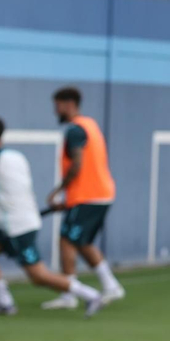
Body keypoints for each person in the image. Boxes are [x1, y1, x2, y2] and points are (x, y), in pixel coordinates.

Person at [0, 116, 103, 317]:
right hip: (15, 223)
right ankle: (5, 302)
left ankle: (90, 295)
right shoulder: (15, 156)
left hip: (17, 227)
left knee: (38, 276)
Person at [42, 86, 123, 310]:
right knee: (83, 242)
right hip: (102, 194)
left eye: (57, 105)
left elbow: (76, 165)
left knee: (67, 241)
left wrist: (58, 191)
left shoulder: (75, 130)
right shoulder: (91, 125)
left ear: (69, 104)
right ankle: (111, 285)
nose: (55, 111)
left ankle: (69, 294)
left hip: (86, 195)